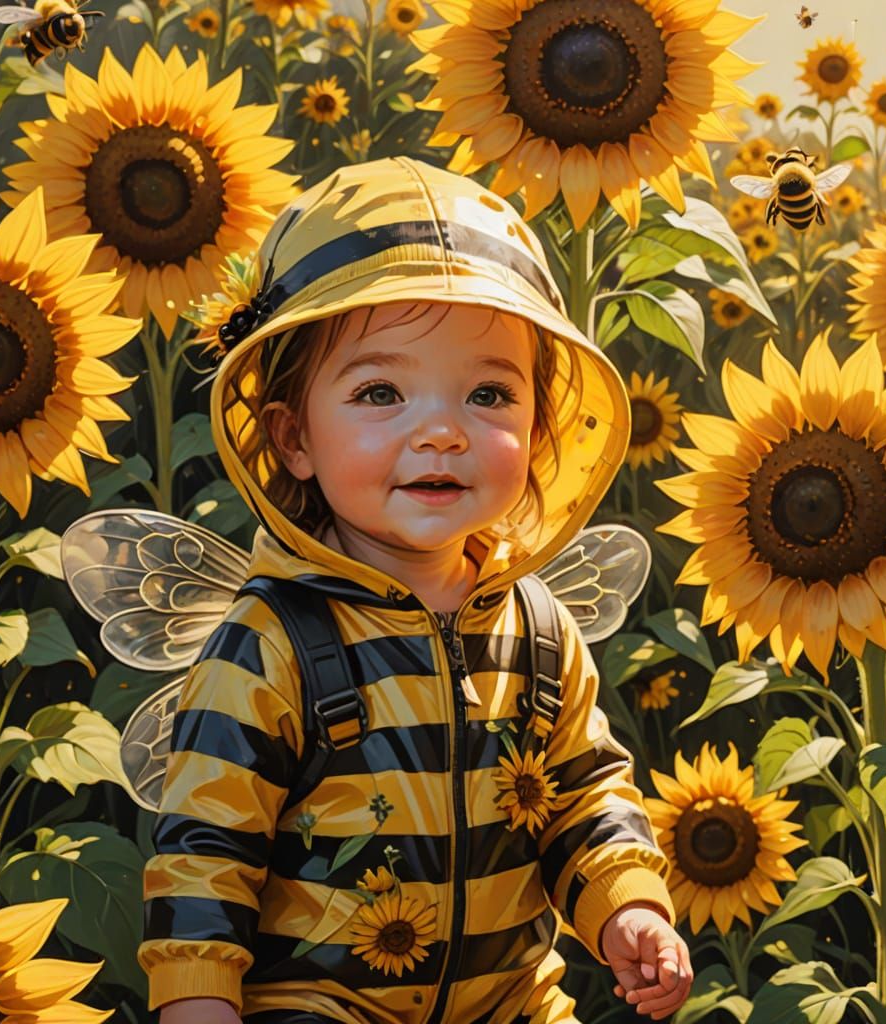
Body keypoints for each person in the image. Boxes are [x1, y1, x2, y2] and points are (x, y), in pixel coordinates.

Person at [137, 156, 693, 1024]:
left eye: (488, 393)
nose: (440, 431)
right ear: (293, 438)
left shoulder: (538, 630)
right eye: (380, 391)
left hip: (513, 1004)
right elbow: (206, 853)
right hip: (320, 1006)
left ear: (538, 429)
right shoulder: (272, 642)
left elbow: (585, 795)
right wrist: (197, 1001)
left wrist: (629, 906)